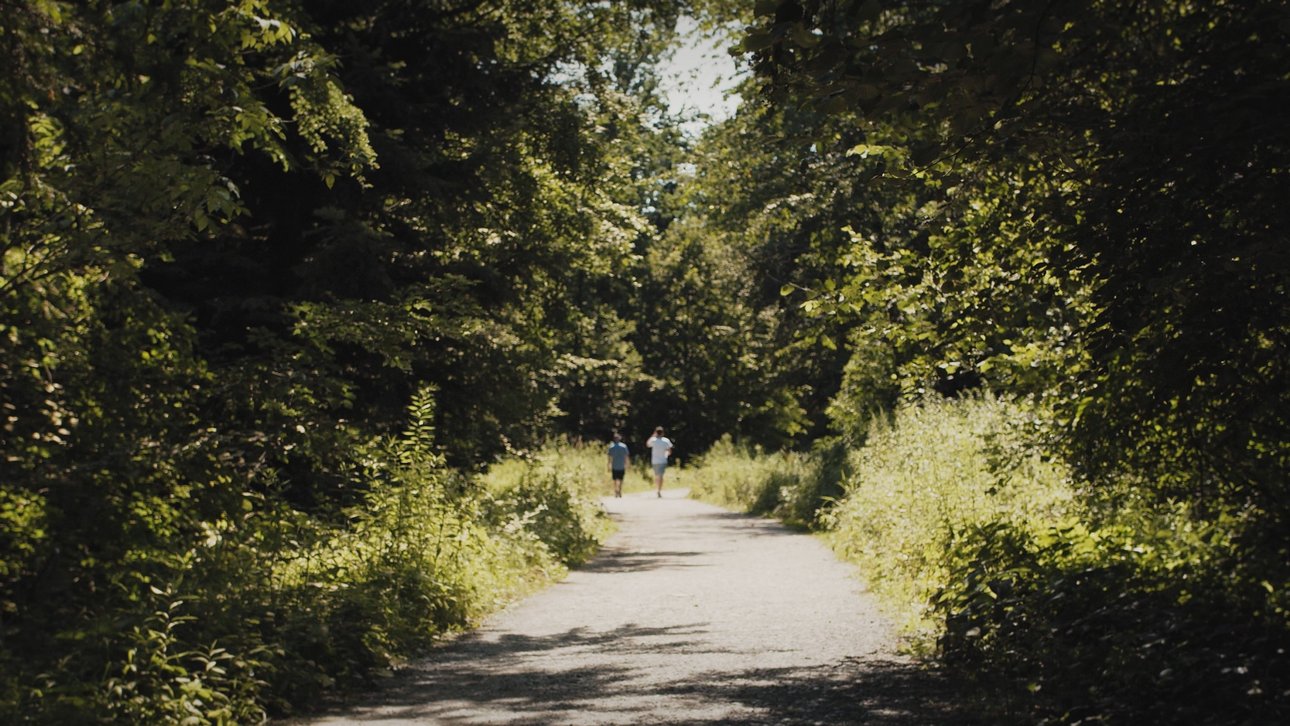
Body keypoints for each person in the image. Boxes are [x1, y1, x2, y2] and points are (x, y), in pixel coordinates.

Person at [645, 426, 673, 498]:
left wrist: (653, 435)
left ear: (656, 432)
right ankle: (659, 490)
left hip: (654, 461)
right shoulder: (666, 440)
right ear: (662, 433)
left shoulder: (653, 440)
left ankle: (657, 489)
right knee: (661, 476)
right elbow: (669, 451)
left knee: (657, 476)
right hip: (663, 460)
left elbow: (647, 444)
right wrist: (666, 455)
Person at [607, 433, 630, 498]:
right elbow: (626, 457)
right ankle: (619, 490)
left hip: (614, 466)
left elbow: (609, 458)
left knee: (615, 479)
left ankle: (616, 490)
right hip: (621, 465)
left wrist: (608, 466)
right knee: (621, 479)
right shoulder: (624, 446)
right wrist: (627, 464)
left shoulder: (611, 447)